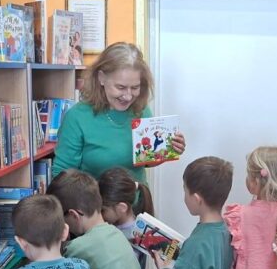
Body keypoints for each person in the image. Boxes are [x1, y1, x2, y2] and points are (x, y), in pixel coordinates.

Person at [53, 42, 185, 183]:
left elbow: (146, 160)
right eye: (121, 87)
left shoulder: (141, 110)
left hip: (138, 196)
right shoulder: (77, 117)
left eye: (135, 87)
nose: (128, 96)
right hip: (96, 198)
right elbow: (62, 176)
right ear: (101, 78)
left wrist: (167, 149)